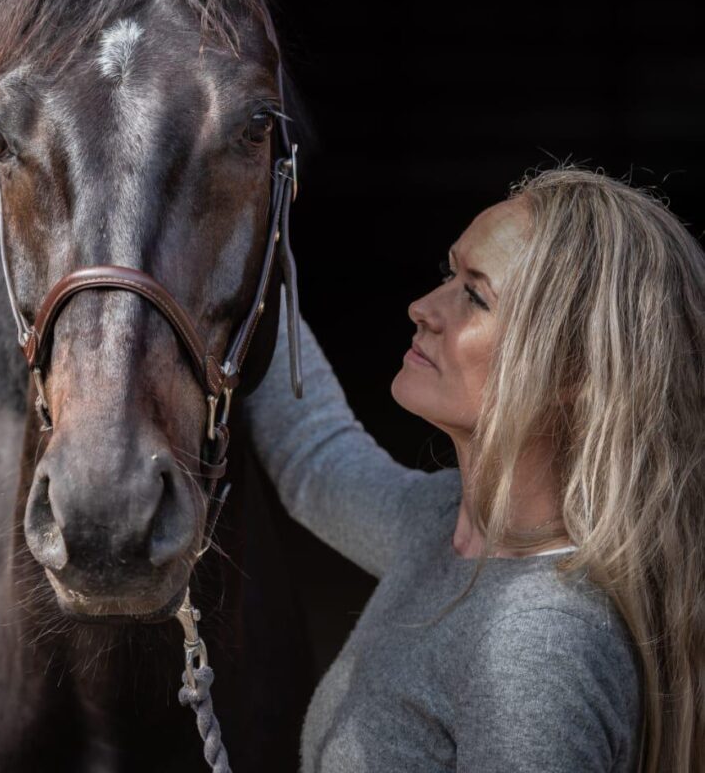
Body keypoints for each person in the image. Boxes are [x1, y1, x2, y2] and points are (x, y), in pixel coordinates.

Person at [239, 163, 705, 773]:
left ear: (574, 374)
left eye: (475, 295)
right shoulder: (446, 529)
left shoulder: (539, 644)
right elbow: (315, 461)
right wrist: (231, 259)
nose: (423, 308)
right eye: (448, 274)